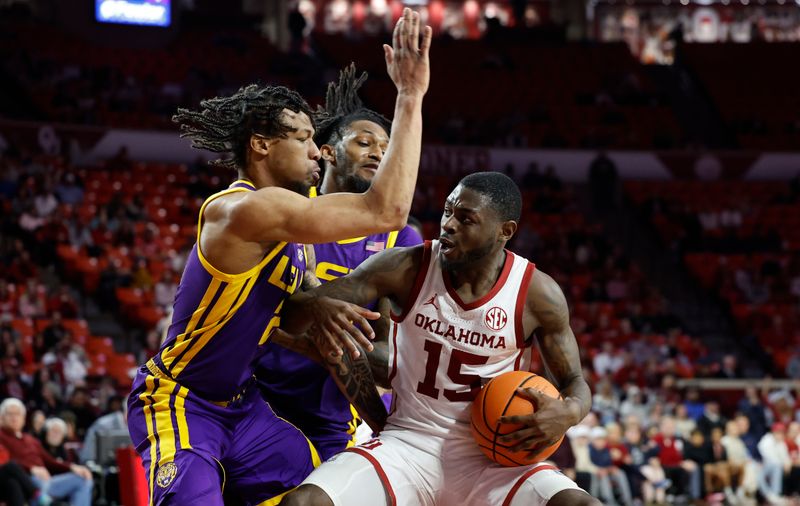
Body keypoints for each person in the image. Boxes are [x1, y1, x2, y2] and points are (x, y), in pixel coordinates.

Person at [125, 8, 431, 505]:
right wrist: (411, 95)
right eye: (305, 139)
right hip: (183, 400)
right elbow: (388, 209)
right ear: (263, 144)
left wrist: (315, 303)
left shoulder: (284, 234)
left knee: (311, 493)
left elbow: (277, 312)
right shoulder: (248, 208)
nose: (317, 152)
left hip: (245, 408)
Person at [280, 172, 599, 505]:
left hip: (496, 460)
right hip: (407, 444)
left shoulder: (536, 294)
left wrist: (569, 412)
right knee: (305, 502)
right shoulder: (405, 267)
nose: (448, 224)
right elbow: (294, 318)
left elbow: (574, 380)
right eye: (447, 211)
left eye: (465, 219)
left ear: (505, 231)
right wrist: (314, 302)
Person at [257, 64, 423, 460]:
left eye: (385, 148)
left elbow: (386, 353)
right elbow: (260, 314)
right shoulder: (286, 211)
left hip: (331, 412)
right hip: (257, 395)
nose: (377, 154)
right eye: (364, 143)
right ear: (328, 151)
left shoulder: (402, 239)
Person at [0, 398, 92, 506]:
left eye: (17, 414)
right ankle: (42, 499)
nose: (14, 418)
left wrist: (72, 467)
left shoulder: (31, 440)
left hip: (47, 479)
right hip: (26, 479)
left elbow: (50, 461)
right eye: (10, 414)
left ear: (24, 419)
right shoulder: (1, 436)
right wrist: (31, 469)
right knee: (16, 476)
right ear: (1, 417)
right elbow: (5, 463)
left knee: (83, 479)